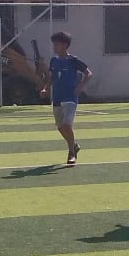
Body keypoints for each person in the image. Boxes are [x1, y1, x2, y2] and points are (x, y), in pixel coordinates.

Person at [39, 31, 92, 165]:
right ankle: (74, 145)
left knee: (67, 125)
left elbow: (88, 74)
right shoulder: (54, 61)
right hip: (57, 97)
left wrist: (80, 86)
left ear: (64, 45)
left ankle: (71, 153)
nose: (54, 46)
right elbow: (52, 77)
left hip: (70, 97)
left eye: (56, 44)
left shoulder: (73, 60)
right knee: (60, 127)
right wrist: (46, 88)